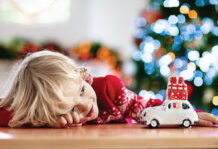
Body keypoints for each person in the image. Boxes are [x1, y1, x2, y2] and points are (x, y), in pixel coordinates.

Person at [0, 50, 217, 128]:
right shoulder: (43, 115)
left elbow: (151, 107)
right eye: (70, 108)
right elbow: (8, 110)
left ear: (84, 77)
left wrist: (191, 116)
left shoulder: (109, 90)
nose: (86, 105)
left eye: (82, 90)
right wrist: (42, 121)